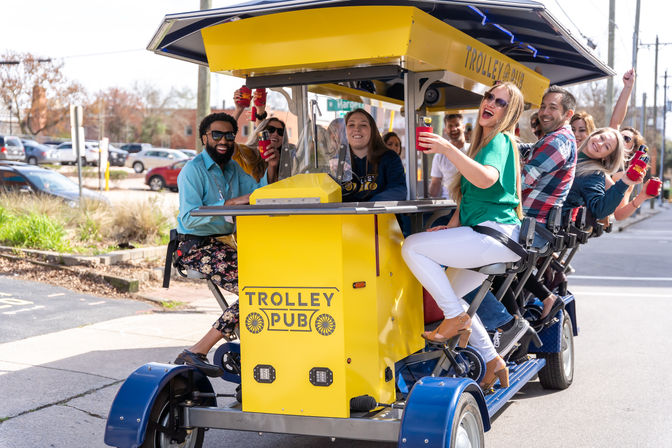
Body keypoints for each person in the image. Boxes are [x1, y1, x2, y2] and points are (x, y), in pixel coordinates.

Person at [402, 82, 525, 391]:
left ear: (509, 113)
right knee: (453, 293)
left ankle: (455, 319)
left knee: (412, 247)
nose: (492, 103)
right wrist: (452, 225)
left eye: (500, 102)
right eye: (489, 96)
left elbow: (486, 180)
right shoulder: (484, 146)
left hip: (492, 236)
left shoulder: (500, 140)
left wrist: (446, 149)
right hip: (492, 237)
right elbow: (470, 199)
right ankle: (493, 362)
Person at [173, 112, 279, 376]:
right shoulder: (193, 170)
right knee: (256, 288)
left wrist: (272, 165)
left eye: (229, 135)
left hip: (223, 244)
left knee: (276, 280)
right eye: (217, 135)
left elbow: (258, 194)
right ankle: (196, 350)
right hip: (195, 247)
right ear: (204, 138)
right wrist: (228, 204)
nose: (223, 140)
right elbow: (188, 217)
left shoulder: (233, 168)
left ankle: (263, 349)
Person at [563, 127, 641, 221]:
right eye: (601, 138)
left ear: (607, 157)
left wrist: (624, 182)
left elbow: (600, 210)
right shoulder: (568, 149)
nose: (600, 144)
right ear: (594, 134)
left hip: (546, 226)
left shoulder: (593, 174)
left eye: (607, 147)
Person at [343, 108, 407, 202]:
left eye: (363, 125)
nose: (356, 129)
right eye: (351, 125)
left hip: (381, 215)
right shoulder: (337, 161)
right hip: (344, 216)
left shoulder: (389, 158)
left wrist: (369, 208)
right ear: (345, 131)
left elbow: (399, 190)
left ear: (372, 130)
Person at [428, 114, 470, 200]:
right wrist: (428, 200)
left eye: (457, 125)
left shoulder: (472, 150)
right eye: (450, 126)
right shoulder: (439, 155)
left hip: (470, 202)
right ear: (445, 130)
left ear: (463, 127)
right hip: (449, 203)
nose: (454, 129)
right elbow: (435, 182)